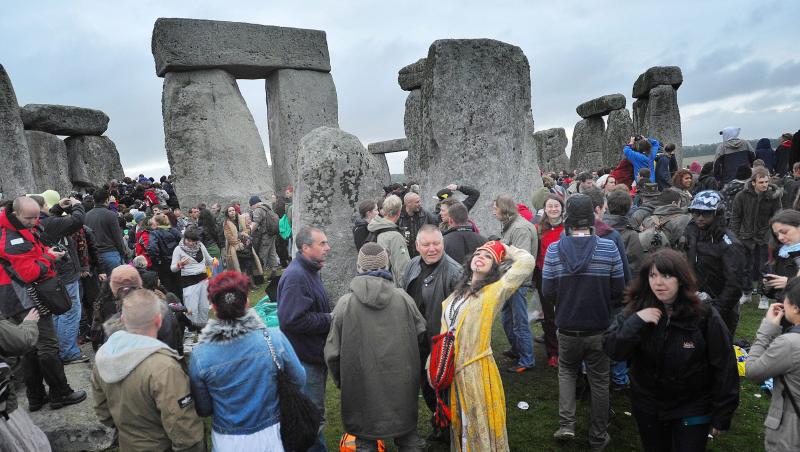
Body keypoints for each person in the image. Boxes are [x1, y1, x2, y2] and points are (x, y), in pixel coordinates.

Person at [603, 249, 739, 452]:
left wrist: (722, 413)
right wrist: (636, 322)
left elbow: (725, 365)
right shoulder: (636, 310)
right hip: (649, 405)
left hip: (692, 405)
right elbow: (613, 349)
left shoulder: (704, 315)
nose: (658, 283)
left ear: (681, 279)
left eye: (666, 276)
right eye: (653, 275)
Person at [542, 194, 625, 451]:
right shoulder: (609, 248)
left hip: (566, 326)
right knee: (599, 380)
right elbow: (618, 289)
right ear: (592, 218)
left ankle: (567, 424)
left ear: (567, 220)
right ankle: (598, 436)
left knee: (566, 372)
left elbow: (547, 291)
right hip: (599, 326)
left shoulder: (555, 249)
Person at [326, 243, 427, 451]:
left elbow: (332, 353)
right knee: (408, 438)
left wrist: (342, 381)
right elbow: (422, 337)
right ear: (387, 265)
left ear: (359, 266)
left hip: (360, 387)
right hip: (402, 386)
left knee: (365, 440)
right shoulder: (404, 299)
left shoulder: (345, 304)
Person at [190, 271, 305, 451]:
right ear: (247, 302)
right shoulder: (274, 339)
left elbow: (204, 408)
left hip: (228, 440)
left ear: (213, 306)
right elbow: (299, 378)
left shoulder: (200, 355)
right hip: (272, 435)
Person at [440, 240, 534, 450]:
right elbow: (443, 334)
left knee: (477, 424)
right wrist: (434, 363)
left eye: (488, 257)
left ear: (495, 267)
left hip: (478, 371)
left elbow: (527, 262)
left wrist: (507, 250)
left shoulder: (494, 292)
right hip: (453, 372)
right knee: (461, 425)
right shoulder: (454, 296)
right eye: (478, 254)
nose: (481, 257)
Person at [0, 197, 87, 411]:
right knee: (47, 344)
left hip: (15, 294)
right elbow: (28, 272)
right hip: (23, 295)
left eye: (37, 216)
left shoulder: (17, 226)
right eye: (29, 218)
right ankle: (60, 393)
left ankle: (36, 396)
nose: (34, 221)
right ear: (16, 214)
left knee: (30, 348)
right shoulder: (11, 238)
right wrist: (48, 258)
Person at [91, 289, 205, 452]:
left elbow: (103, 412)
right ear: (159, 320)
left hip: (128, 444)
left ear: (123, 319)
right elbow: (184, 428)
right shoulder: (164, 366)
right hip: (161, 445)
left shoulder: (104, 357)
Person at [402, 225, 463, 442]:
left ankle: (449, 429)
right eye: (426, 244)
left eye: (436, 243)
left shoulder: (455, 272)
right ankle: (440, 422)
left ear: (443, 243)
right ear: (417, 246)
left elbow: (460, 314)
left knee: (443, 388)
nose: (431, 249)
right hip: (416, 339)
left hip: (440, 342)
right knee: (425, 385)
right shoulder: (411, 265)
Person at [277, 226, 332, 452]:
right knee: (310, 418)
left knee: (314, 414)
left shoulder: (309, 270)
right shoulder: (297, 277)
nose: (328, 248)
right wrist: (329, 319)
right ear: (305, 248)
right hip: (304, 360)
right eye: (322, 244)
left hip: (312, 356)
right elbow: (291, 320)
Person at [745, 277, 800, 451]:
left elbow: (752, 370)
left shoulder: (790, 344)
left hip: (790, 436)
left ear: (796, 307)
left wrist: (767, 329)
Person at [684, 190, 746, 336]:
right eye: (695, 212)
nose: (699, 218)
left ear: (717, 214)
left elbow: (734, 285)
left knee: (719, 353)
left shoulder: (730, 244)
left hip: (721, 309)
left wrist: (716, 310)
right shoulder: (692, 232)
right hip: (694, 303)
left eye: (705, 213)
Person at [36, 194, 89, 364]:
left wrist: (58, 207)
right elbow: (78, 220)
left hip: (53, 275)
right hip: (65, 274)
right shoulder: (49, 223)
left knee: (59, 313)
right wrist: (77, 204)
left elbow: (53, 219)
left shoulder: (38, 224)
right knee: (70, 312)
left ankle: (61, 349)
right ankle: (69, 352)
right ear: (41, 208)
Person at [495, 194, 538, 373]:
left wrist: (498, 262)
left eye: (495, 208)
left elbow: (522, 259)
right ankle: (518, 350)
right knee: (507, 319)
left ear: (504, 210)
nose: (493, 211)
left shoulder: (519, 228)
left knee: (519, 322)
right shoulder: (512, 225)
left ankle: (527, 359)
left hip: (518, 283)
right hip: (510, 282)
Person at [0, 309, 52, 451]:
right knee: (27, 445)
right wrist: (29, 323)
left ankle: (36, 396)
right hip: (4, 410)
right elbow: (22, 340)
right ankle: (60, 393)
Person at [730, 167, 782, 308]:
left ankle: (764, 295)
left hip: (765, 236)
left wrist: (774, 234)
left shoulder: (773, 196)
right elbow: (736, 217)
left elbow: (777, 217)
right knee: (745, 267)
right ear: (753, 182)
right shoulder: (741, 196)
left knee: (764, 268)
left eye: (766, 181)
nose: (765, 184)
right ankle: (746, 293)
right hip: (745, 236)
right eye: (761, 182)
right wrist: (734, 236)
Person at [533, 195, 565, 367]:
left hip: (565, 276)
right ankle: (553, 351)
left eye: (556, 206)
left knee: (565, 312)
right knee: (549, 315)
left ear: (562, 207)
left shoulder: (568, 227)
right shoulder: (538, 228)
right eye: (550, 206)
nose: (553, 209)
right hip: (544, 276)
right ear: (545, 209)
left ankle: (567, 349)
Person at [171, 226, 213, 331]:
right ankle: (191, 330)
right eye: (188, 240)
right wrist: (180, 264)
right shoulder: (178, 249)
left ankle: (202, 329)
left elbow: (208, 260)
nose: (190, 243)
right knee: (192, 309)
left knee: (204, 307)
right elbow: (173, 268)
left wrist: (214, 261)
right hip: (189, 282)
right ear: (184, 238)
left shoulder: (200, 245)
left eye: (193, 241)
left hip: (203, 279)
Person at [366, 195, 410, 287]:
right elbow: (402, 269)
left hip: (376, 284)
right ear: (399, 212)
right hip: (391, 289)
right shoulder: (394, 237)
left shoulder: (374, 227)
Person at [84, 188, 128, 275]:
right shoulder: (111, 215)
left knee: (101, 286)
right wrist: (124, 253)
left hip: (94, 256)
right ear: (107, 200)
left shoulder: (86, 216)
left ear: (94, 200)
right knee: (115, 285)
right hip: (111, 254)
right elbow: (117, 237)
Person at [761, 210, 800, 303]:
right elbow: (777, 294)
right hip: (785, 310)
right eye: (777, 234)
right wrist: (769, 286)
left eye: (784, 231)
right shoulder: (782, 252)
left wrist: (789, 283)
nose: (780, 237)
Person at [604, 188, 644, 275]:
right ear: (629, 207)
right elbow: (636, 267)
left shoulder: (598, 229)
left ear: (608, 205)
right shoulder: (632, 234)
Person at [148, 213, 183, 300]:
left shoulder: (155, 233)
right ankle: (183, 306)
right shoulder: (174, 230)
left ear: (157, 223)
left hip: (163, 264)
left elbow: (152, 248)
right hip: (176, 262)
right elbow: (183, 242)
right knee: (179, 285)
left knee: (168, 286)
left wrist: (157, 260)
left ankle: (173, 306)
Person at [398, 192, 438, 258]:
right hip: (404, 255)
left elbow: (436, 230)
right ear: (408, 203)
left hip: (423, 254)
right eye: (417, 202)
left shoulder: (426, 215)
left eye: (420, 201)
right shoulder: (399, 216)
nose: (420, 204)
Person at [248, 195, 281, 276]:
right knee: (272, 251)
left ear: (253, 204)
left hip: (265, 235)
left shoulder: (258, 210)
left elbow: (256, 223)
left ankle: (260, 274)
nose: (251, 208)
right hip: (272, 233)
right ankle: (274, 270)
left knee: (262, 254)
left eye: (251, 206)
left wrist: (248, 232)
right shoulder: (267, 207)